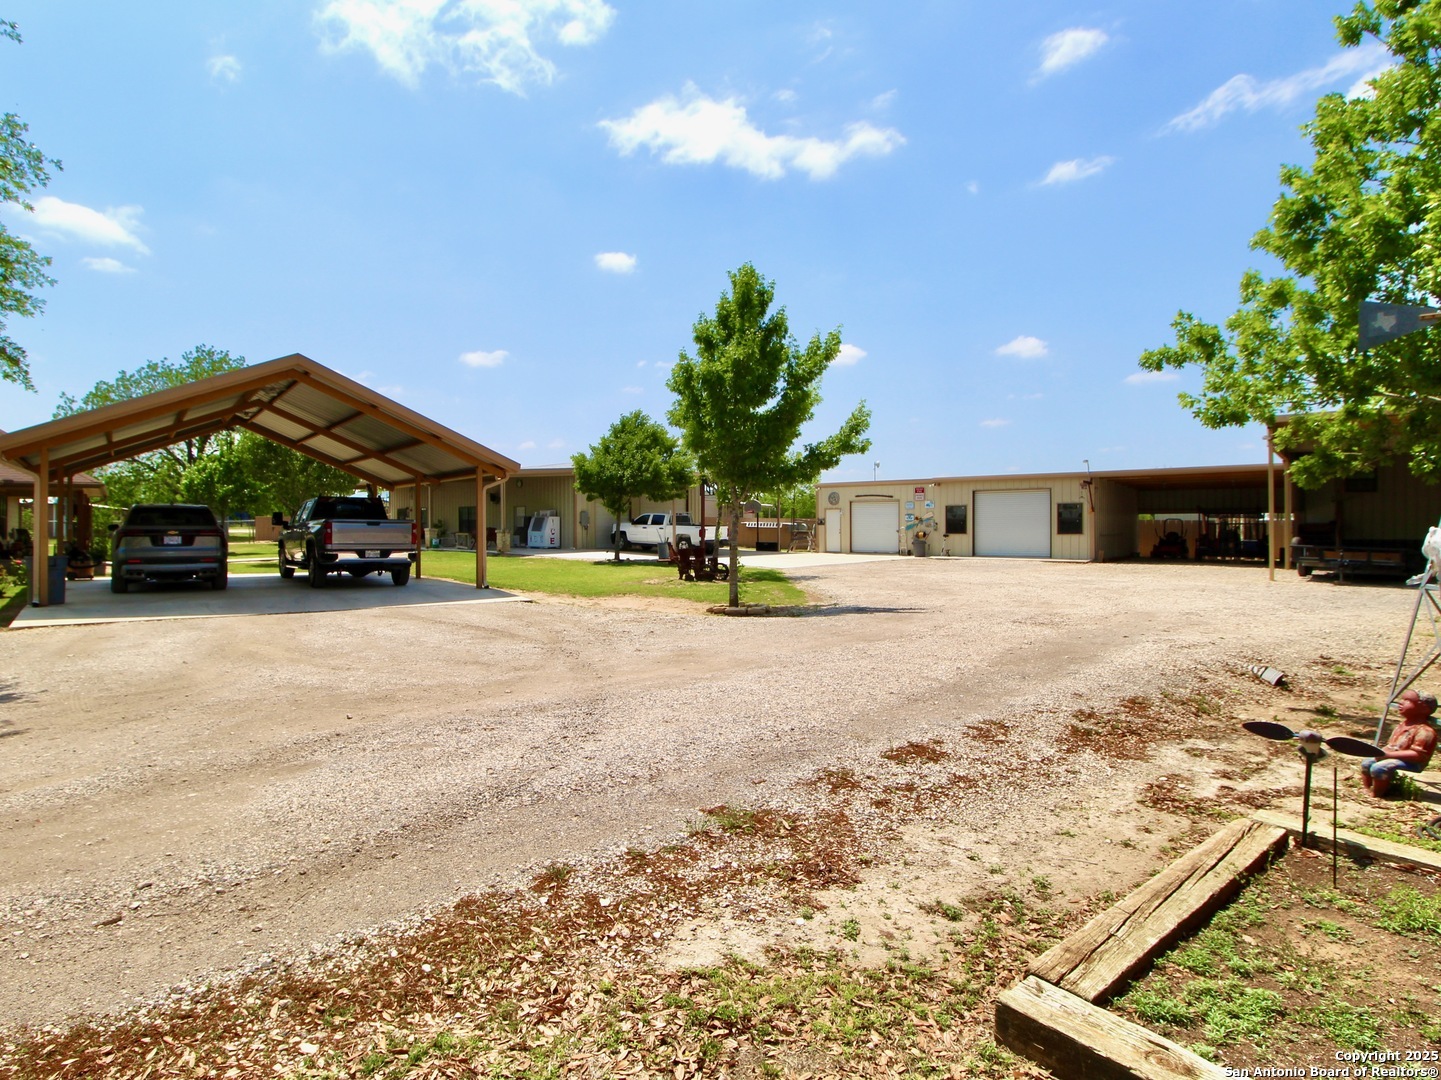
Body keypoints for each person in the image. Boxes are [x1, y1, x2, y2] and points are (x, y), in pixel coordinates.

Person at [1362, 689, 1438, 797]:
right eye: (1402, 699)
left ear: (1424, 708)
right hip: (1394, 756)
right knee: (1367, 762)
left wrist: (1388, 755)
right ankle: (1366, 788)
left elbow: (1418, 755)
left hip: (1413, 763)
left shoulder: (1425, 731)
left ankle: (1377, 794)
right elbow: (1392, 745)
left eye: (1408, 701)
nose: (1401, 703)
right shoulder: (1402, 725)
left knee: (1380, 767)